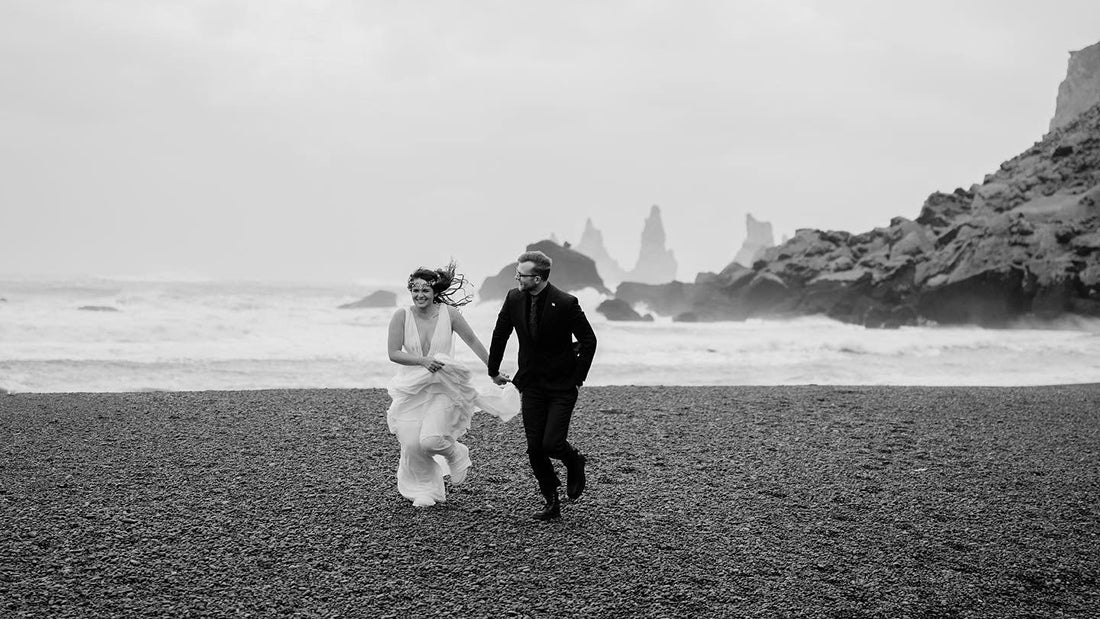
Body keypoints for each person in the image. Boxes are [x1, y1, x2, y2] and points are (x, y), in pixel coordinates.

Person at [386, 262, 517, 508]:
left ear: (435, 291)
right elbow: (393, 353)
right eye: (415, 290)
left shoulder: (450, 315)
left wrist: (494, 371)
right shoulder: (401, 316)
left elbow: (473, 342)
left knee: (431, 440)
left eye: (425, 290)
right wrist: (422, 361)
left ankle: (457, 453)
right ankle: (424, 490)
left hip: (443, 387)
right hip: (411, 388)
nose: (419, 295)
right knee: (412, 443)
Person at [488, 250, 597, 521]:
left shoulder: (566, 303)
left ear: (537, 278)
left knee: (552, 443)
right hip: (532, 383)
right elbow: (501, 333)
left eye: (521, 274)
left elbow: (589, 340)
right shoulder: (514, 298)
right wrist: (493, 370)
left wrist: (578, 377)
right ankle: (551, 500)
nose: (516, 278)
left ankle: (574, 460)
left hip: (562, 386)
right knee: (535, 448)